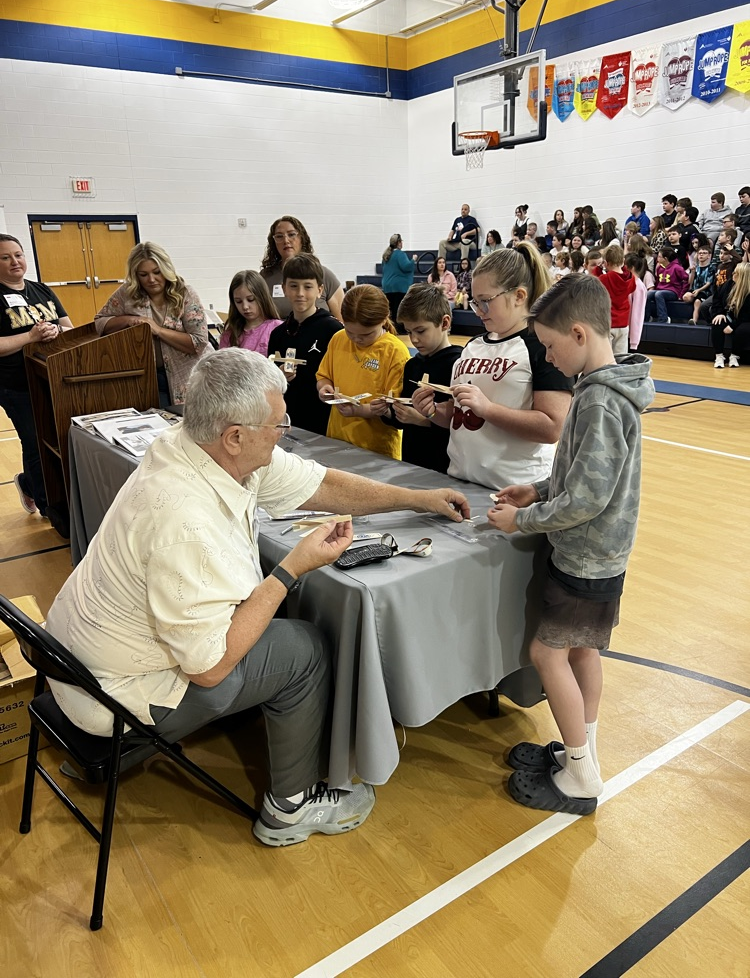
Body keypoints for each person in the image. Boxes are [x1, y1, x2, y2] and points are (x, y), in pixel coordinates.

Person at [46, 348, 471, 846]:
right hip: (110, 698)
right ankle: (291, 807)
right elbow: (209, 669)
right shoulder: (186, 519)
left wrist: (416, 499)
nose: (284, 431)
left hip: (72, 661)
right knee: (305, 650)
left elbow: (319, 483)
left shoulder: (192, 445)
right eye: (278, 425)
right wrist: (290, 570)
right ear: (235, 436)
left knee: (270, 624)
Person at [488, 274, 654, 815]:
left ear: (579, 335)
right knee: (583, 649)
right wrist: (534, 487)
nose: (549, 356)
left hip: (586, 554)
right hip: (599, 553)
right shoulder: (602, 390)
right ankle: (581, 753)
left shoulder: (601, 401)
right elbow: (581, 474)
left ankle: (582, 775)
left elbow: (585, 498)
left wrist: (524, 518)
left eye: (551, 345)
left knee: (547, 653)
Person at [411, 244, 573, 490]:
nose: (478, 312)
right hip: (460, 480)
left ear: (519, 296)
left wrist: (488, 408)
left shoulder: (542, 345)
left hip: (515, 490)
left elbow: (552, 427)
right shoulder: (473, 345)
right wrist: (433, 411)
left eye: (485, 302)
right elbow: (461, 419)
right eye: (475, 302)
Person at [0, 233, 74, 516]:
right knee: (34, 442)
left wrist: (56, 331)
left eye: (18, 255)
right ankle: (49, 506)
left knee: (57, 439)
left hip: (53, 378)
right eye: (5, 257)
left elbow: (71, 328)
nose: (14, 262)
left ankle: (30, 484)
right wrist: (29, 337)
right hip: (16, 385)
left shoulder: (41, 290)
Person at [95, 241, 209, 407]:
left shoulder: (184, 293)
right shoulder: (127, 293)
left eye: (157, 272)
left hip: (189, 378)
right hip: (148, 377)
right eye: (143, 274)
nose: (151, 279)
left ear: (166, 269)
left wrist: (157, 330)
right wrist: (129, 320)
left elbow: (198, 342)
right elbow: (100, 322)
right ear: (136, 275)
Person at [316, 284, 411, 459]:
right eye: (350, 332)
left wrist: (359, 411)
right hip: (337, 440)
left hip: (376, 450)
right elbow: (324, 376)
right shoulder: (338, 339)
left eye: (366, 335)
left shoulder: (395, 351)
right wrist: (324, 388)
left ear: (383, 320)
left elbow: (392, 407)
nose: (357, 339)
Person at [380, 284, 461, 474]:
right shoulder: (412, 365)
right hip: (412, 460)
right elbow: (406, 415)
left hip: (445, 465)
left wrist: (424, 420)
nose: (414, 339)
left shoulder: (459, 364)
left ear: (445, 323)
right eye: (409, 332)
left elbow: (462, 425)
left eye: (420, 331)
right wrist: (389, 413)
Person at [267, 254, 343, 435]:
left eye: (307, 287)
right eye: (293, 286)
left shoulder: (332, 330)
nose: (300, 293)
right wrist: (280, 377)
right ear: (284, 288)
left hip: (322, 420)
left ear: (319, 290)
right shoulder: (278, 333)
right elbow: (270, 381)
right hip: (289, 419)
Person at [260, 216, 343, 322]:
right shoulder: (265, 277)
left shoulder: (324, 275)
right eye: (279, 236)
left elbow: (342, 322)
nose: (286, 240)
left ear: (302, 238)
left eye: (291, 234)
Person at [219, 270, 281, 357]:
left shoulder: (277, 328)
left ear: (262, 297)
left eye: (251, 299)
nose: (245, 307)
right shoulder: (230, 334)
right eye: (238, 301)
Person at [589, 246, 636, 357]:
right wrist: (623, 268)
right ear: (623, 261)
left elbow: (594, 281)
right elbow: (632, 288)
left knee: (606, 357)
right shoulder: (630, 278)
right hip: (623, 324)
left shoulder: (605, 278)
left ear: (606, 263)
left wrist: (598, 269)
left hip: (608, 323)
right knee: (621, 357)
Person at [712, 262, 750, 368]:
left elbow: (747, 314)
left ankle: (734, 356)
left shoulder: (748, 291)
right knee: (717, 322)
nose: (733, 273)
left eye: (736, 272)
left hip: (744, 319)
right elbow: (716, 300)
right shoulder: (728, 284)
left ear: (742, 276)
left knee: (742, 330)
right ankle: (719, 356)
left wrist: (732, 325)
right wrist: (719, 313)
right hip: (728, 315)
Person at [646, 246, 689, 322]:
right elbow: (658, 281)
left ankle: (663, 318)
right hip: (660, 290)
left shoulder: (677, 268)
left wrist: (681, 295)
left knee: (659, 294)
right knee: (648, 294)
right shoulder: (659, 267)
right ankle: (647, 317)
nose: (657, 259)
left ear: (665, 259)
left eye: (659, 257)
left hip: (673, 291)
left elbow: (686, 280)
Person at [380, 233, 417, 320]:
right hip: (398, 286)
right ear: (399, 243)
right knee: (399, 309)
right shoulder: (400, 254)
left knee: (391, 309)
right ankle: (399, 328)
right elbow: (406, 267)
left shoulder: (386, 255)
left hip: (387, 285)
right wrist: (413, 260)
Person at [685, 244, 715, 323]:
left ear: (709, 256)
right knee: (686, 297)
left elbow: (708, 283)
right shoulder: (696, 267)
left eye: (704, 253)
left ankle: (694, 320)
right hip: (695, 290)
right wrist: (692, 272)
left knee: (697, 302)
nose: (701, 254)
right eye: (699, 253)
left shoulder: (711, 267)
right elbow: (690, 282)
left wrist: (698, 290)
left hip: (705, 291)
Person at [624, 253, 648, 350]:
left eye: (624, 265)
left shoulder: (639, 287)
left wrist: (633, 342)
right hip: (622, 331)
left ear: (631, 268)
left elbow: (637, 315)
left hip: (629, 337)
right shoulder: (626, 282)